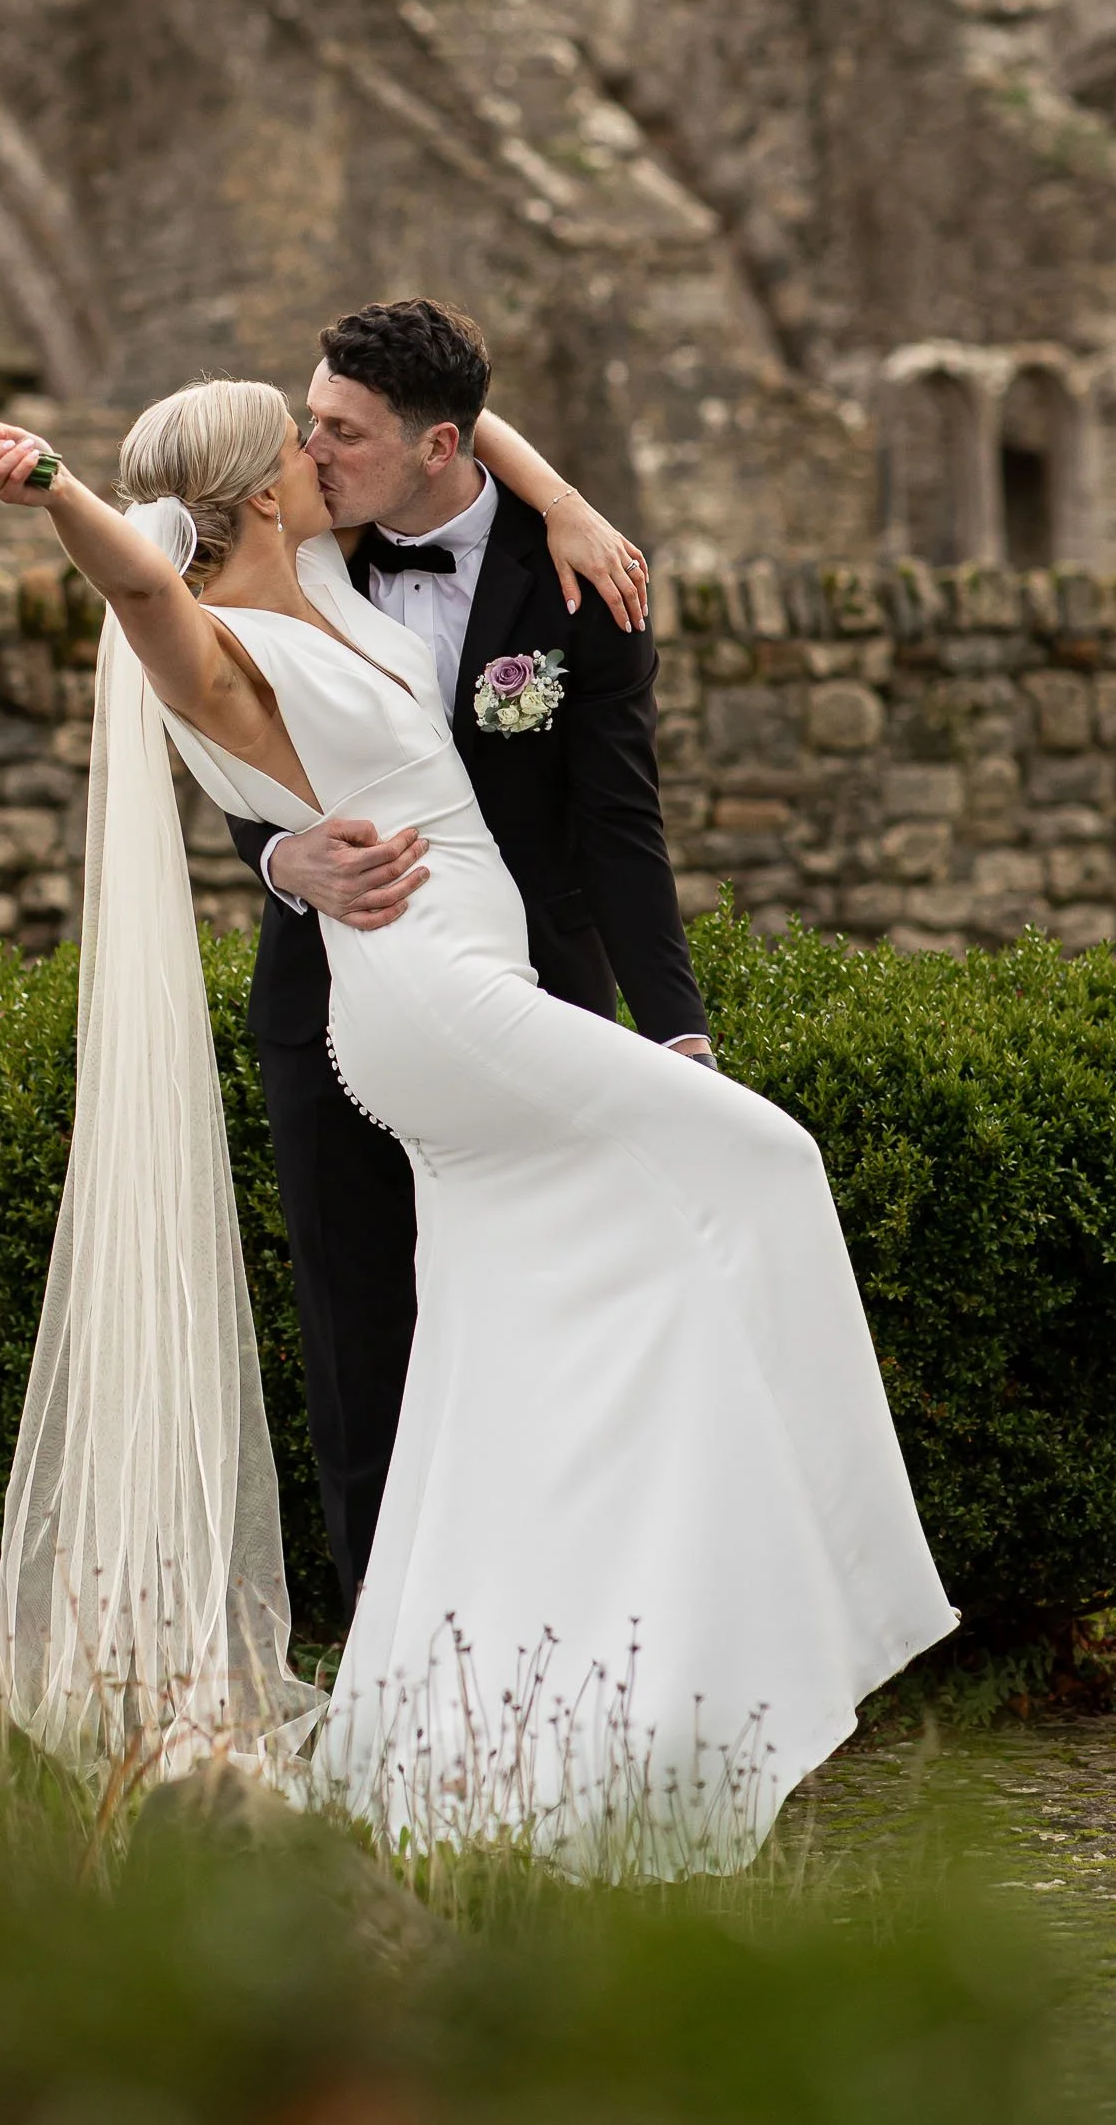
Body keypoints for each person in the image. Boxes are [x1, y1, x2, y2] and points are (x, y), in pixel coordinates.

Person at [0, 383, 956, 1872]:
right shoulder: (213, 644)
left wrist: (559, 497)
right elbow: (138, 580)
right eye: (302, 438)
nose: (325, 446)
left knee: (503, 1349)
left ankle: (497, 1721)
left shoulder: (333, 579)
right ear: (269, 484)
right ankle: (834, 1600)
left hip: (474, 983)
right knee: (763, 1161)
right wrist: (48, 487)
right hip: (431, 1003)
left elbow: (448, 421)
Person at [224, 300, 712, 1616]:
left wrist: (673, 1031)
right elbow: (221, 721)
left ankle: (558, 1632)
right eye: (307, 423)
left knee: (536, 1327)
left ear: (440, 447)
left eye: (342, 434)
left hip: (518, 1004)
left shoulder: (579, 581)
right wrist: (280, 859)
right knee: (358, 1341)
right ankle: (394, 1665)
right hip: (331, 1002)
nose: (309, 455)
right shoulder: (291, 551)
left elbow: (621, 826)